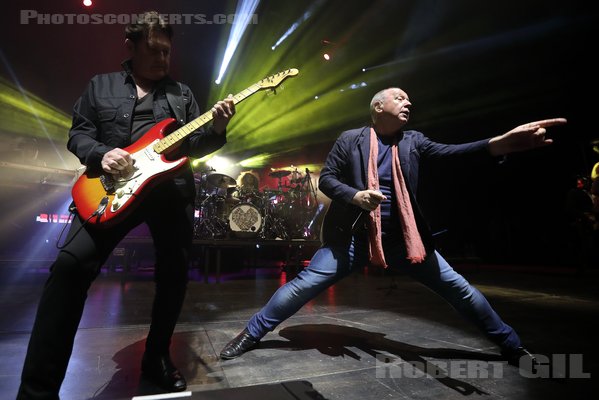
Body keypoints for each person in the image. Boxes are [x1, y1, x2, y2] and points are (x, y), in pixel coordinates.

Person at [219, 87, 566, 368]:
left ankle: (512, 346)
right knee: (300, 288)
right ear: (377, 107)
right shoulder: (351, 139)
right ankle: (249, 335)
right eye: (399, 98)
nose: (408, 102)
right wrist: (355, 196)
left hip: (404, 240)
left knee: (460, 290)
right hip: (352, 239)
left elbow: (454, 153)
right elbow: (326, 180)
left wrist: (498, 144)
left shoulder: (414, 141)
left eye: (408, 99)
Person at [17, 11, 235, 399]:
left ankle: (156, 357)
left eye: (167, 52)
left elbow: (195, 146)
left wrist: (216, 128)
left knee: (174, 277)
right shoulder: (100, 87)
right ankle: (37, 390)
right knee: (68, 268)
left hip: (169, 194)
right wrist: (102, 154)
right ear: (130, 46)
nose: (162, 59)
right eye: (153, 50)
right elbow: (79, 134)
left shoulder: (181, 95)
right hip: (109, 191)